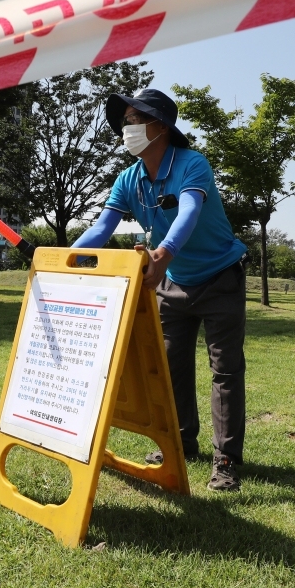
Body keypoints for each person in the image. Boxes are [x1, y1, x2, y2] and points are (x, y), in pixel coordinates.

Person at [73, 89, 248, 491]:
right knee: (171, 367)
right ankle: (182, 443)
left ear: (161, 127)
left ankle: (226, 459)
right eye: (126, 120)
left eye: (135, 119)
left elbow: (188, 211)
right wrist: (66, 257)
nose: (126, 127)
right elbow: (103, 227)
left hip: (220, 276)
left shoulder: (192, 164)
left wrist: (163, 253)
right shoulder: (128, 179)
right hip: (173, 284)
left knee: (225, 371)